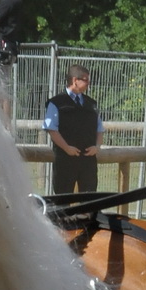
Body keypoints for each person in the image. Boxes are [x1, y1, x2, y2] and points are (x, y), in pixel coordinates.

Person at [43, 64, 104, 195]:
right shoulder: (56, 102)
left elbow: (100, 129)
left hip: (88, 162)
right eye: (86, 80)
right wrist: (67, 148)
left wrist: (97, 147)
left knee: (89, 201)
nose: (89, 83)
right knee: (63, 201)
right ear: (75, 80)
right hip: (65, 160)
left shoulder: (91, 104)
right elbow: (51, 129)